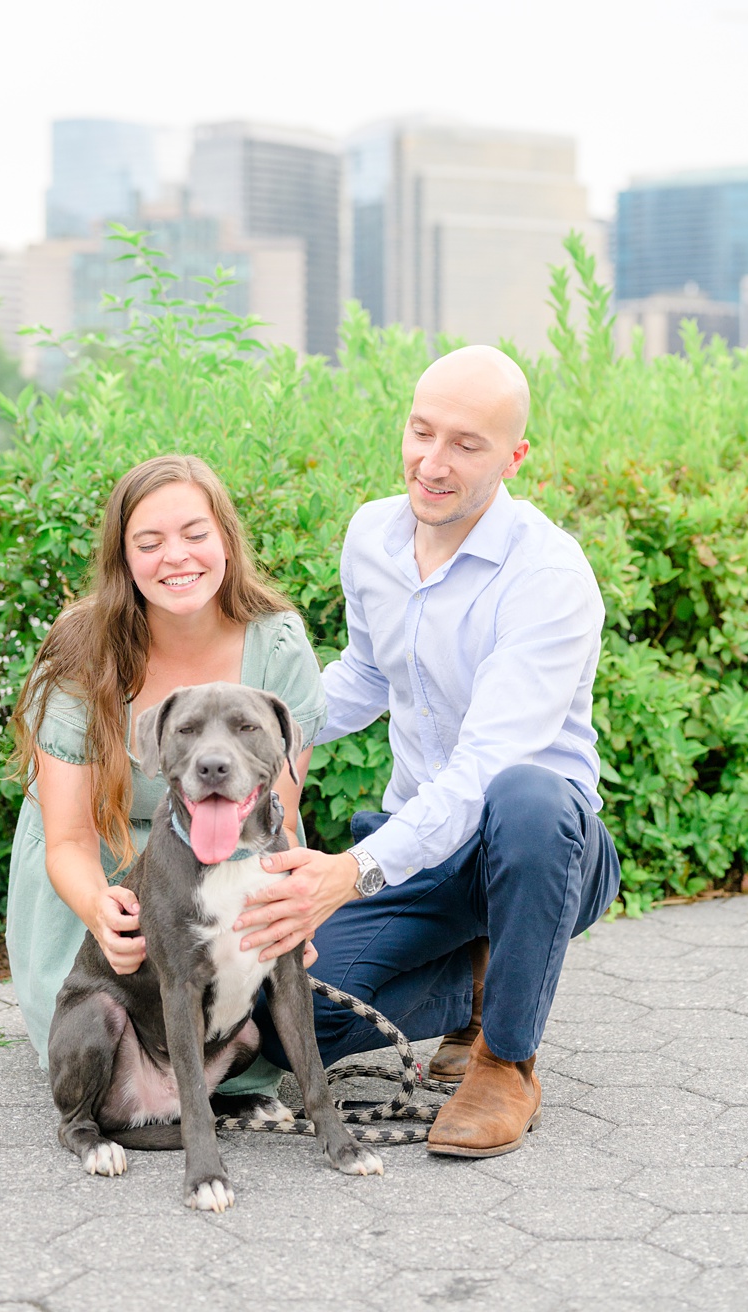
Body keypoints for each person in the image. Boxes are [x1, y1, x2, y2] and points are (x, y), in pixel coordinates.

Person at [233, 343, 621, 1158]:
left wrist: (350, 872)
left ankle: (506, 1060)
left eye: (466, 445)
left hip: (544, 850)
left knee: (527, 793)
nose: (432, 463)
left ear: (514, 457)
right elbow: (365, 677)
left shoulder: (547, 574)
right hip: (424, 846)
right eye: (421, 431)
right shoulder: (373, 534)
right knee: (282, 1018)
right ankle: (473, 988)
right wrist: (255, 729)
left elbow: (484, 770)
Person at [3, 454, 329, 1104]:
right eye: (148, 543)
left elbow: (275, 823)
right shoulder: (81, 651)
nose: (176, 557)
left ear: (227, 542)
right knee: (116, 1061)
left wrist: (290, 917)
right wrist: (103, 913)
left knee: (272, 1044)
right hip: (105, 869)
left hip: (227, 871)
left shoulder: (279, 646)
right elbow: (66, 840)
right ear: (123, 560)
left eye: (194, 534)